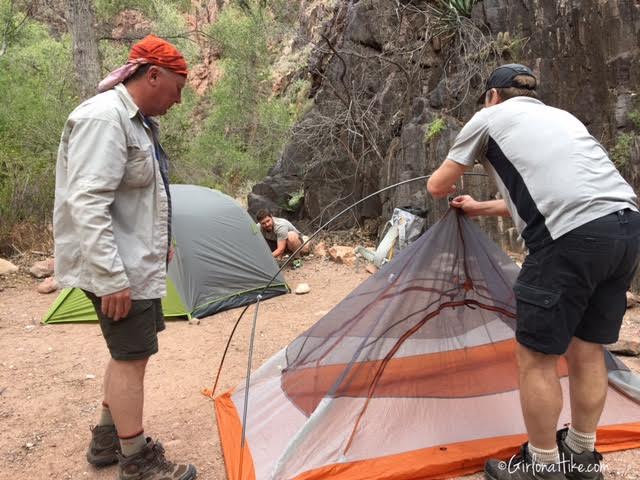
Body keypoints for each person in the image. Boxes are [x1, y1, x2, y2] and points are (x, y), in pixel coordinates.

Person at [426, 64, 640, 480]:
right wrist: (481, 206)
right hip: (626, 226)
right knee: (588, 347)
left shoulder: (487, 118)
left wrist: (454, 181)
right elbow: (550, 191)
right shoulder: (562, 119)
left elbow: (437, 185)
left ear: (492, 96)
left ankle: (541, 465)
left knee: (537, 357)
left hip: (569, 239)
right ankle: (580, 455)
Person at [53, 35, 196, 480]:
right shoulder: (104, 118)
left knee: (127, 354)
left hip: (134, 263)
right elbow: (88, 203)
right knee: (132, 357)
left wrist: (159, 243)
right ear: (152, 75)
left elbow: (137, 200)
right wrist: (111, 276)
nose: (178, 99)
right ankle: (136, 459)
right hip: (117, 269)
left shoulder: (135, 122)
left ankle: (105, 440)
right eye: (177, 87)